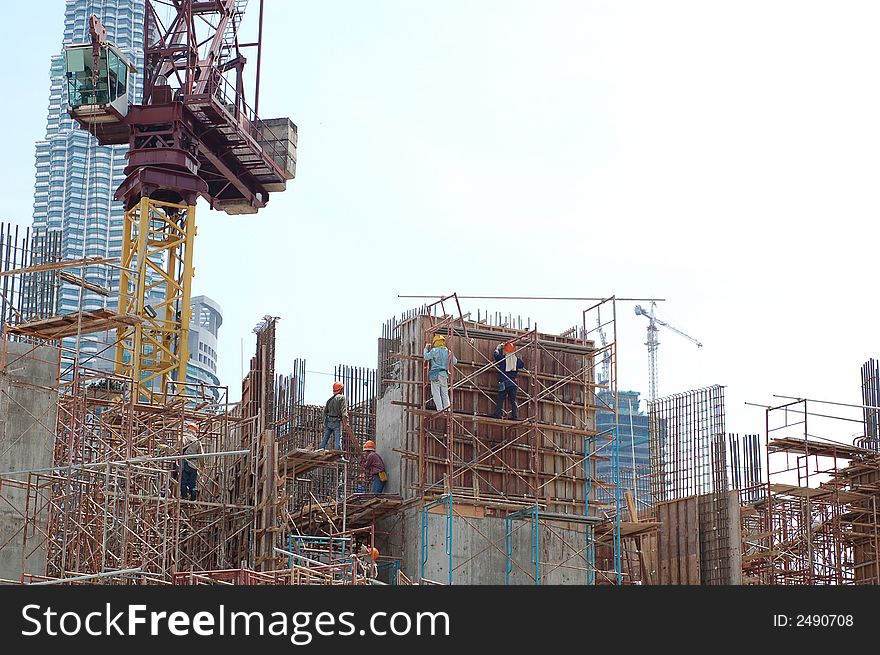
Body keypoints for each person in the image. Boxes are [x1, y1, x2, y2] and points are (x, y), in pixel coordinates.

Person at [423, 334, 457, 411]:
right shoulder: (448, 351)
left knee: (436, 393)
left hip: (435, 374)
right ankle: (447, 410)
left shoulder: (434, 350)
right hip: (444, 374)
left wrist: (425, 348)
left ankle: (440, 409)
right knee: (445, 393)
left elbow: (426, 357)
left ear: (435, 343)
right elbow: (455, 361)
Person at [493, 342, 525, 420]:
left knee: (500, 399)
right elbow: (522, 364)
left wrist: (498, 348)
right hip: (513, 383)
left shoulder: (503, 359)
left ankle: (497, 414)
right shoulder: (516, 361)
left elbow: (496, 355)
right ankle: (515, 416)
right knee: (513, 401)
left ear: (505, 351)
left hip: (504, 383)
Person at [320, 381, 349, 451]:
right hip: (337, 421)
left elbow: (324, 412)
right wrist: (345, 422)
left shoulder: (329, 400)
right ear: (341, 389)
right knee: (338, 438)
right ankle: (338, 455)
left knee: (325, 437)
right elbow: (344, 412)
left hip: (328, 420)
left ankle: (321, 448)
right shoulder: (342, 398)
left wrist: (324, 422)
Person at [178, 423, 202, 501]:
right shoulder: (197, 441)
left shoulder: (184, 438)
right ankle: (193, 499)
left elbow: (177, 447)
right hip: (193, 465)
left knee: (183, 482)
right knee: (193, 483)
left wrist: (168, 450)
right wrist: (202, 465)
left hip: (184, 464)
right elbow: (201, 455)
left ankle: (184, 497)